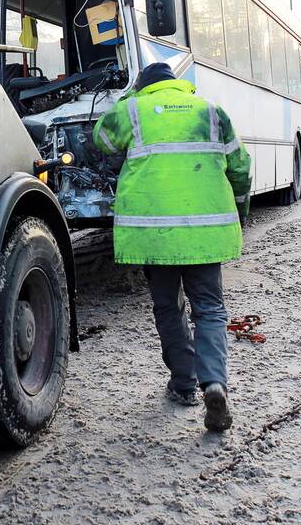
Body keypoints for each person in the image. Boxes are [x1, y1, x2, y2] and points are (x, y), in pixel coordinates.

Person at [93, 62, 251, 432]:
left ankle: (183, 384)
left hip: (153, 234)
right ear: (178, 85)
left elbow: (100, 140)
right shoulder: (211, 111)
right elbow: (240, 167)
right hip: (204, 234)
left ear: (143, 87)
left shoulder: (132, 110)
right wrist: (239, 210)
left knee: (167, 306)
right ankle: (213, 383)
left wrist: (131, 96)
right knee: (209, 309)